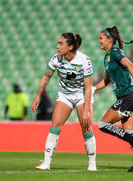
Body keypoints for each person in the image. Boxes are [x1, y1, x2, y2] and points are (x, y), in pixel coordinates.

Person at [31, 32, 96, 171]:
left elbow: (88, 87)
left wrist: (86, 110)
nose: (57, 46)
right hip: (64, 95)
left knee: (86, 127)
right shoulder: (56, 59)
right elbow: (46, 77)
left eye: (61, 44)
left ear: (70, 47)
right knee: (54, 127)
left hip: (81, 95)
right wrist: (37, 95)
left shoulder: (84, 60)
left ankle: (92, 164)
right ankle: (46, 163)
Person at [93, 26, 133, 165]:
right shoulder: (107, 58)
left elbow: (130, 65)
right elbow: (106, 81)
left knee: (103, 124)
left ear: (110, 40)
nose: (99, 41)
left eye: (101, 38)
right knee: (129, 135)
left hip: (129, 96)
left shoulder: (115, 51)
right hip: (131, 97)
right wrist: (92, 89)